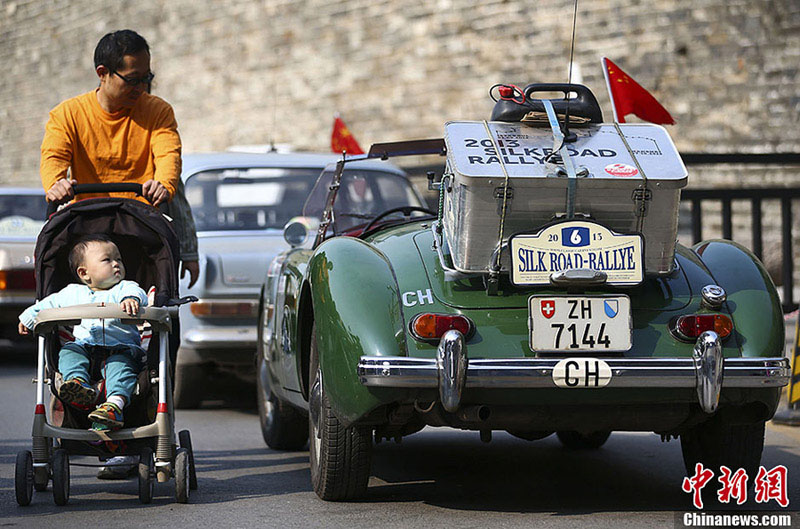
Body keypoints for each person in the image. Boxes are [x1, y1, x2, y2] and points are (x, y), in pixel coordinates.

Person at [39, 29, 199, 287]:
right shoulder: (68, 115)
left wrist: (163, 185)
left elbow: (169, 156)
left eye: (147, 77)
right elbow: (54, 156)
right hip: (88, 235)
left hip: (142, 230)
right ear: (103, 73)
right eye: (133, 79)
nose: (142, 87)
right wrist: (55, 184)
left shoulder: (158, 111)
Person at [18, 235, 148, 431]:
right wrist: (28, 318)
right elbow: (47, 305)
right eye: (107, 260)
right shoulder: (73, 294)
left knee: (120, 370)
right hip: (85, 347)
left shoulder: (124, 288)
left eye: (119, 259)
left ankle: (114, 406)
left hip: (120, 349)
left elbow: (138, 293)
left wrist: (131, 300)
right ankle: (76, 383)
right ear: (84, 273)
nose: (116, 264)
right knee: (69, 352)